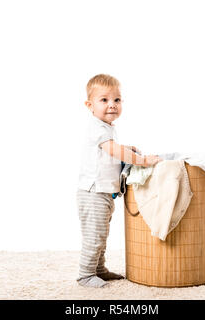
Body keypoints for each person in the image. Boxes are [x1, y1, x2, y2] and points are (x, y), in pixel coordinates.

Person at [76, 73, 162, 287]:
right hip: (93, 192)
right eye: (104, 100)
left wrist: (126, 148)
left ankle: (99, 269)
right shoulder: (97, 127)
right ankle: (85, 274)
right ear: (90, 105)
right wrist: (141, 160)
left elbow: (112, 151)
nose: (112, 105)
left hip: (104, 192)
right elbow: (112, 151)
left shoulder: (108, 128)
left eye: (117, 100)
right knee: (94, 235)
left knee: (101, 235)